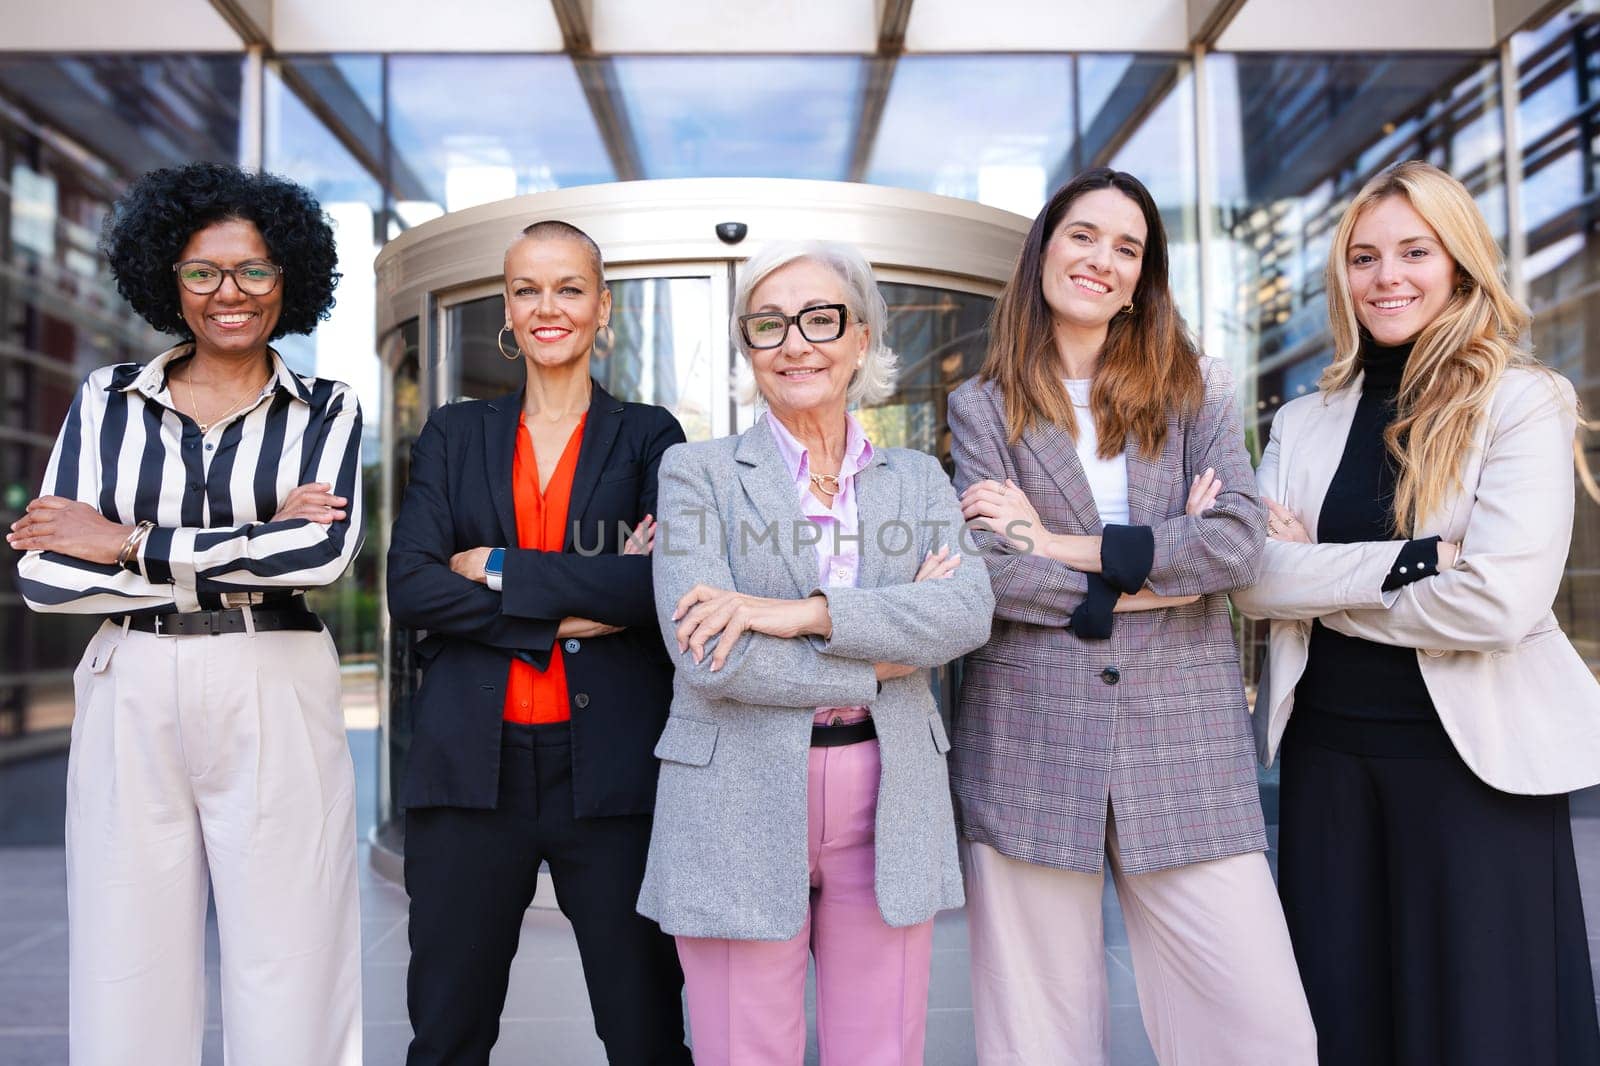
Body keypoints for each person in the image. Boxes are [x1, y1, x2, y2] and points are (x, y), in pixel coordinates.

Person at [1231, 159, 1600, 1066]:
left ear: (1459, 263)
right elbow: (1252, 580)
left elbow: (1498, 604)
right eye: (1364, 256)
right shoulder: (1302, 421)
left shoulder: (1521, 401)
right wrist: (1413, 562)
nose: (1386, 276)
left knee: (1481, 1025)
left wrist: (1323, 584)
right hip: (1328, 763)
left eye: (1413, 251)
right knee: (1341, 1015)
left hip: (1474, 765)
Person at [947, 167, 1317, 1066]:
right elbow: (990, 572)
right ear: (1045, 248)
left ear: (1142, 276)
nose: (1102, 260)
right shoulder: (980, 406)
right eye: (1085, 236)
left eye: (1128, 248)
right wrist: (1167, 569)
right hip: (1028, 740)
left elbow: (1233, 547)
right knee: (1036, 1038)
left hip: (1185, 740)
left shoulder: (1193, 389)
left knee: (1263, 1028)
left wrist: (1059, 543)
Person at [8, 161, 363, 1065]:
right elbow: (46, 576)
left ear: (291, 278)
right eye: (202, 272)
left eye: (254, 270)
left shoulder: (329, 408)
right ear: (168, 278)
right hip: (131, 676)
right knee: (125, 951)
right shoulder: (104, 399)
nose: (228, 294)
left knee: (294, 949)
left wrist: (121, 542)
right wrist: (251, 542)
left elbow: (317, 556)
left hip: (273, 676)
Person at [637, 239, 994, 1065]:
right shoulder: (697, 473)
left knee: (882, 1047)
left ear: (861, 338)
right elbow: (710, 658)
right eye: (769, 324)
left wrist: (796, 615)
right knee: (742, 1045)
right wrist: (884, 659)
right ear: (748, 345)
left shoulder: (917, 480)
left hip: (888, 786)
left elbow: (967, 612)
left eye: (819, 319)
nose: (795, 342)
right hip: (736, 786)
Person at [387, 219, 691, 1065]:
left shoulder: (649, 436)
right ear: (508, 313)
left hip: (614, 775)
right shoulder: (456, 432)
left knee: (645, 1033)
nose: (546, 306)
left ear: (603, 309)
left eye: (568, 288)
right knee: (447, 1032)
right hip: (467, 772)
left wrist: (495, 569)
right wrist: (573, 609)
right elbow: (410, 586)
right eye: (527, 289)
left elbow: (660, 587)